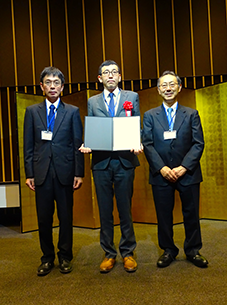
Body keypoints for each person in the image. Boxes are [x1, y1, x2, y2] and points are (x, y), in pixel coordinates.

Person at [80, 60, 142, 273]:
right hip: (101, 162)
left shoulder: (131, 97)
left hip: (125, 161)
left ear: (120, 76)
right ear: (100, 78)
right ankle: (108, 253)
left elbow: (135, 124)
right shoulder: (93, 101)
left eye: (114, 72)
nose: (110, 76)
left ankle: (128, 252)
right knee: (105, 210)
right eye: (106, 72)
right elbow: (93, 126)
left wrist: (137, 141)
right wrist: (88, 143)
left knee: (125, 209)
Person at [142, 71, 208, 268]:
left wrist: (184, 167)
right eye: (164, 85)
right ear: (158, 90)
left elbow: (198, 144)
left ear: (179, 88)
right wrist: (161, 168)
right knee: (163, 215)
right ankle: (168, 250)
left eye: (172, 84)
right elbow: (147, 144)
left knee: (191, 214)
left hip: (188, 173)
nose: (168, 88)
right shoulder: (149, 115)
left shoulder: (191, 114)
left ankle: (193, 250)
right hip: (160, 174)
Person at [24, 66, 84, 276]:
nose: (52, 86)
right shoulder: (32, 112)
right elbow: (28, 146)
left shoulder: (72, 112)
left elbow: (78, 143)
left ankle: (65, 257)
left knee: (66, 217)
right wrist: (29, 174)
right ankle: (47, 257)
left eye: (56, 83)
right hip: (41, 173)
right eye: (48, 82)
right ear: (42, 87)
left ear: (62, 87)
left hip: (65, 171)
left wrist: (79, 173)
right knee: (43, 219)